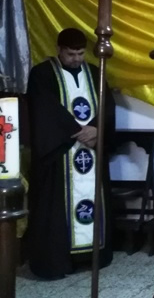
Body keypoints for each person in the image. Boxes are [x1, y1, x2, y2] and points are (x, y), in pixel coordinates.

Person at [25, 28, 115, 279]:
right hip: (60, 154)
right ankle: (59, 260)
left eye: (80, 53)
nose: (76, 59)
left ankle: (92, 254)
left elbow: (108, 105)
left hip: (91, 151)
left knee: (93, 197)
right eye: (71, 54)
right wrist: (77, 131)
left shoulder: (95, 73)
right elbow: (44, 109)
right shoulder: (42, 74)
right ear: (59, 50)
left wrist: (97, 129)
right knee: (56, 209)